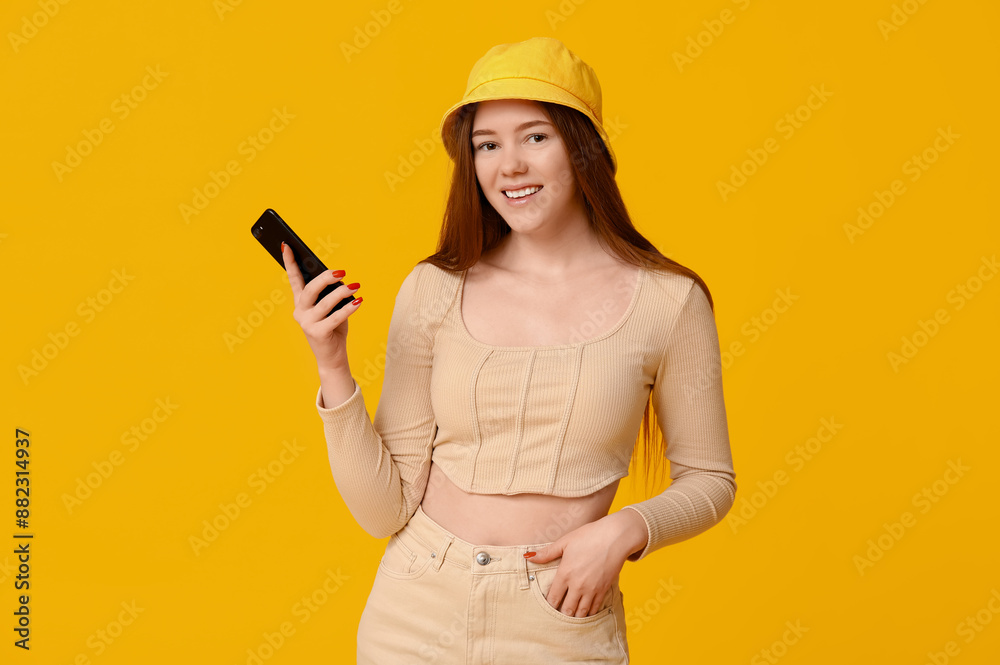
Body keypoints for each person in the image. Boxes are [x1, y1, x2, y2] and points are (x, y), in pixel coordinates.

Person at [281, 36, 737, 664]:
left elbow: (710, 480)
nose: (509, 165)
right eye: (487, 145)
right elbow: (382, 509)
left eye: (535, 137)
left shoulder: (669, 300)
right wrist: (331, 362)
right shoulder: (435, 288)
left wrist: (626, 531)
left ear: (585, 149)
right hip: (415, 610)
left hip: (559, 613)